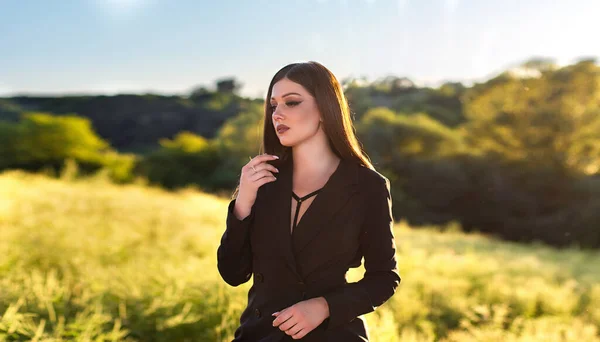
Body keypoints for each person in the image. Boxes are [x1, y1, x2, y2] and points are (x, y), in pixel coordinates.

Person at [217, 61, 401, 341]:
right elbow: (233, 273)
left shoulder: (367, 186)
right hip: (259, 334)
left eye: (291, 102)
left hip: (333, 335)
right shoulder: (263, 182)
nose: (277, 114)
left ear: (326, 109)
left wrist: (323, 307)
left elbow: (384, 278)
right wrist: (243, 202)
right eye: (273, 105)